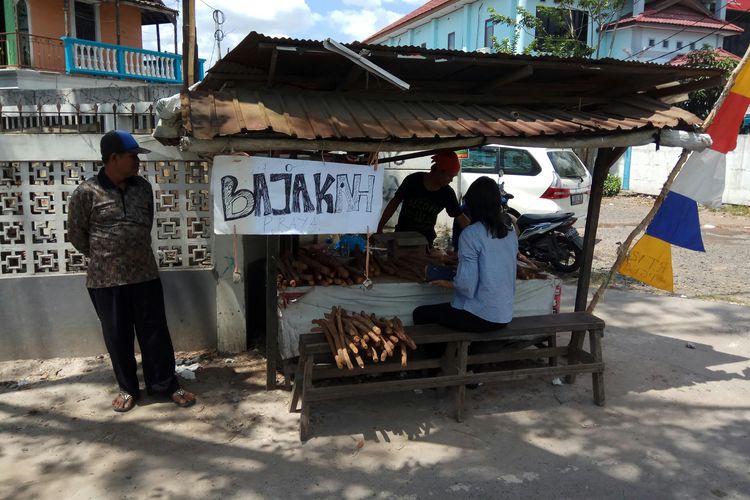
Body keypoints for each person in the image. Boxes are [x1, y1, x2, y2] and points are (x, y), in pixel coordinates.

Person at [67, 130, 196, 412]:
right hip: (105, 280)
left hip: (145, 275)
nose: (138, 161)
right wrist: (105, 255)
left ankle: (165, 385)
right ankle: (128, 389)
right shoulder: (86, 193)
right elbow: (76, 234)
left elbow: (145, 223)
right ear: (113, 158)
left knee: (155, 334)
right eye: (132, 156)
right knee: (117, 336)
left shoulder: (142, 188)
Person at [413, 176, 518, 332]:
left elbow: (466, 286)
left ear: (473, 205)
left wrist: (445, 283)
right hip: (504, 314)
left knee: (420, 313)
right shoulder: (510, 232)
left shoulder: (471, 233)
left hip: (480, 316)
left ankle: (446, 354)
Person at [377, 151, 470, 247]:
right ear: (439, 170)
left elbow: (460, 216)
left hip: (424, 242)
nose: (451, 180)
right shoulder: (413, 180)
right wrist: (379, 227)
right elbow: (394, 202)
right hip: (401, 237)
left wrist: (477, 235)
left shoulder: (447, 193)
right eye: (450, 176)